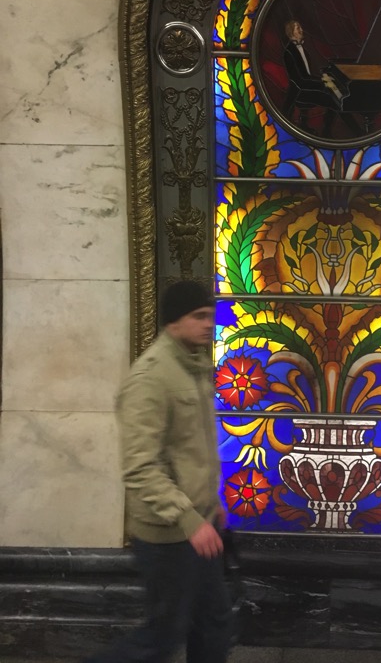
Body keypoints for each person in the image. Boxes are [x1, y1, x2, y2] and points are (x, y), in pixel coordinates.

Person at [83, 280, 232, 663]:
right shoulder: (150, 378)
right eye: (198, 316)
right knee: (162, 637)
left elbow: (190, 449)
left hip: (200, 525)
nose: (208, 324)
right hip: (169, 535)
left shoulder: (193, 366)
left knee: (213, 623)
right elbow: (140, 467)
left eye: (210, 315)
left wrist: (210, 503)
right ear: (173, 322)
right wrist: (188, 519)